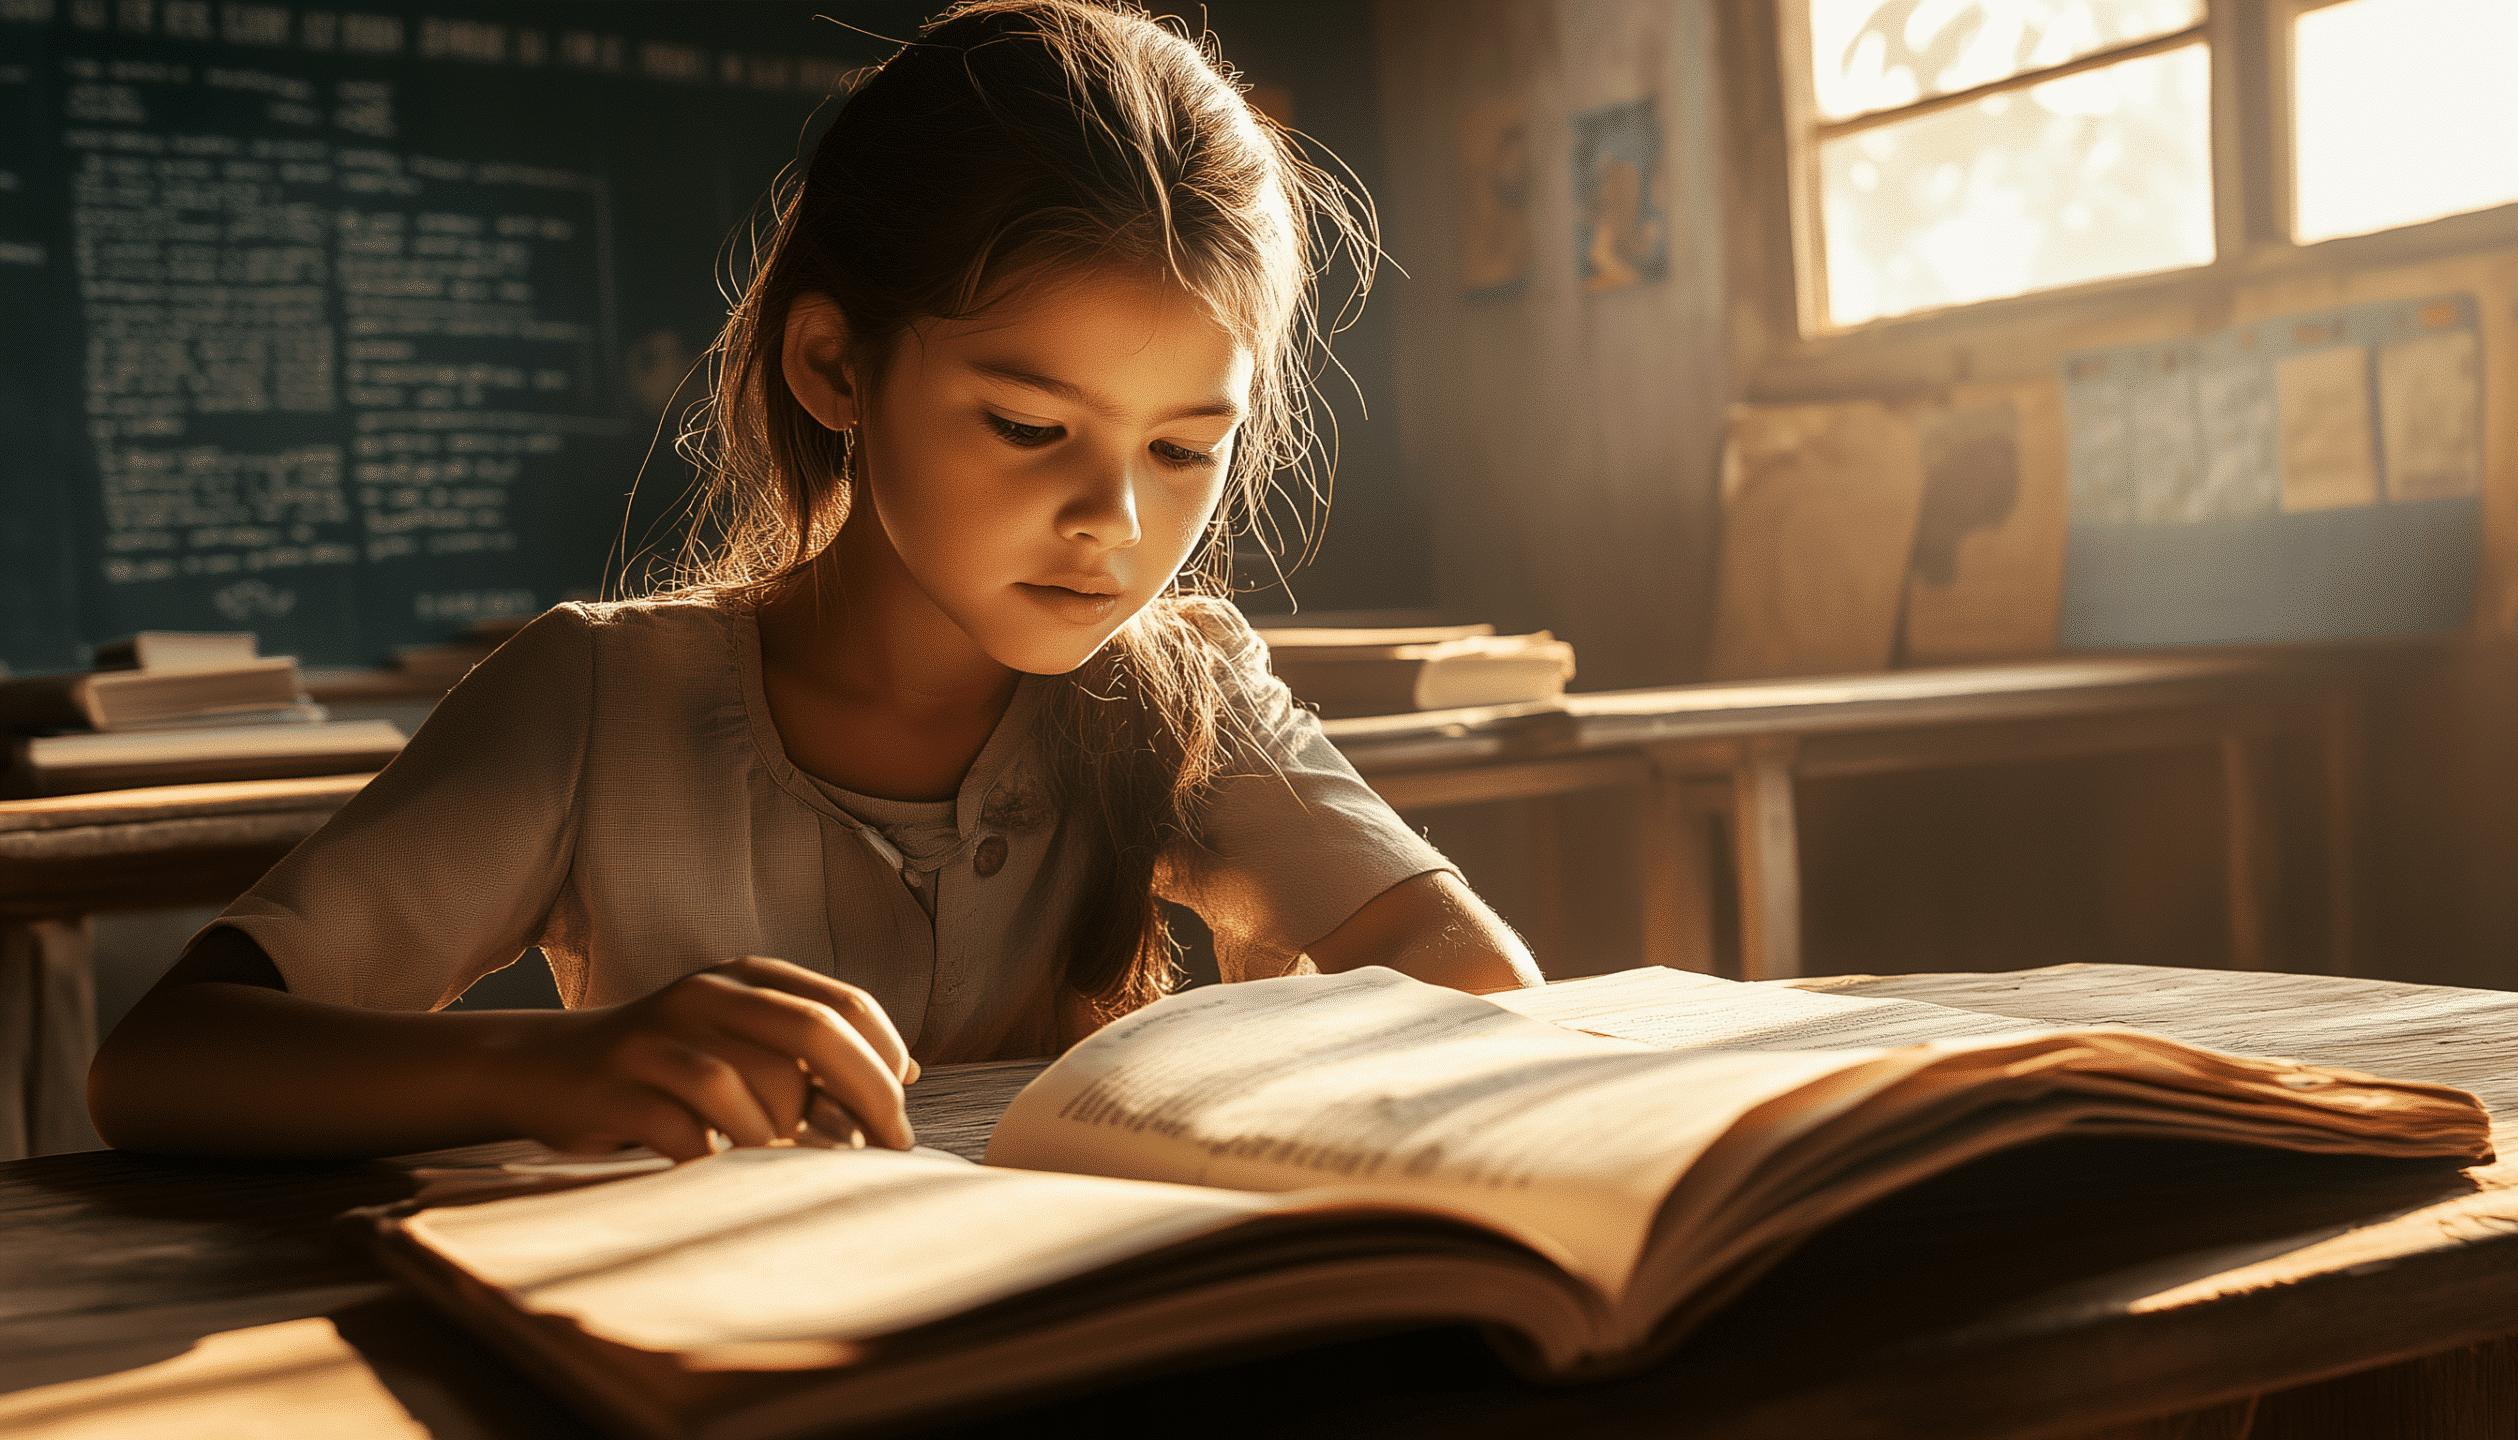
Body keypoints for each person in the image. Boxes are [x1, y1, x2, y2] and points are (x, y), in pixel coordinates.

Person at [89, 0, 1539, 1163]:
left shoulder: (1188, 688)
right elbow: (162, 1063)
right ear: (836, 365)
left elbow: (1478, 984)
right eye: (1029, 427)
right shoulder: (600, 702)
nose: (1111, 518)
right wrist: (555, 1061)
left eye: (1182, 447)